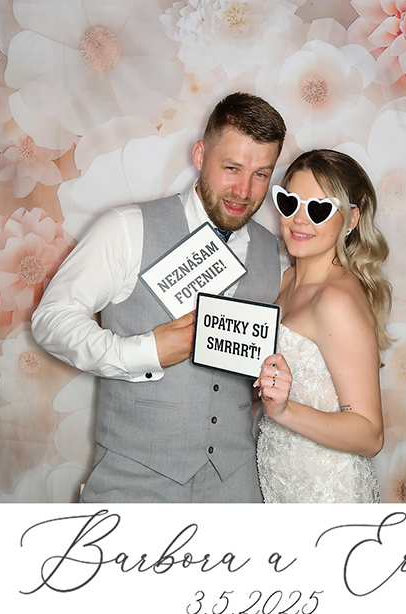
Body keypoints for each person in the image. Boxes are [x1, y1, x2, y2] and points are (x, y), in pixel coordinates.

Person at [31, 94, 286, 503]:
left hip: (236, 484)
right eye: (231, 168)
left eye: (261, 174)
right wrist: (144, 352)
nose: (243, 190)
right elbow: (52, 319)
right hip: (135, 479)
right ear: (200, 155)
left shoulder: (273, 253)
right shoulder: (127, 227)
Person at [254, 151, 391, 503]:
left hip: (326, 494)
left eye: (318, 209)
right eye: (289, 203)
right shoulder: (285, 280)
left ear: (351, 218)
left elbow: (370, 435)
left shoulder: (335, 300)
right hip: (280, 482)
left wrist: (285, 411)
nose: (299, 220)